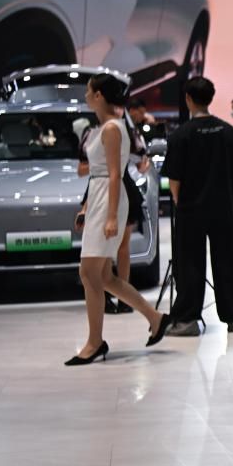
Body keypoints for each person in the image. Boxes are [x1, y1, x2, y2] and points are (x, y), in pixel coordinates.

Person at [66, 73, 172, 365]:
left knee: (89, 273)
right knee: (102, 276)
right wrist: (87, 207)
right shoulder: (103, 128)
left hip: (108, 201)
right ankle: (155, 318)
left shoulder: (113, 128)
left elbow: (115, 175)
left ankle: (94, 342)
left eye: (89, 91)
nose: (86, 95)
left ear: (99, 95)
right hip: (99, 198)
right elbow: (98, 175)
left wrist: (112, 216)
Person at [161, 77, 233, 335]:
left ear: (188, 99)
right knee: (228, 261)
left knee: (189, 264)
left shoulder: (181, 135)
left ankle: (188, 320)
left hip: (191, 210)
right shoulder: (229, 132)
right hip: (224, 208)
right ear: (210, 98)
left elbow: (174, 180)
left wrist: (180, 201)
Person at [76, 111, 150, 314]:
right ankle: (113, 298)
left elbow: (139, 165)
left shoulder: (120, 131)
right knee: (106, 259)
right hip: (102, 188)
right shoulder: (95, 133)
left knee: (120, 250)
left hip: (120, 189)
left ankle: (124, 302)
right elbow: (82, 169)